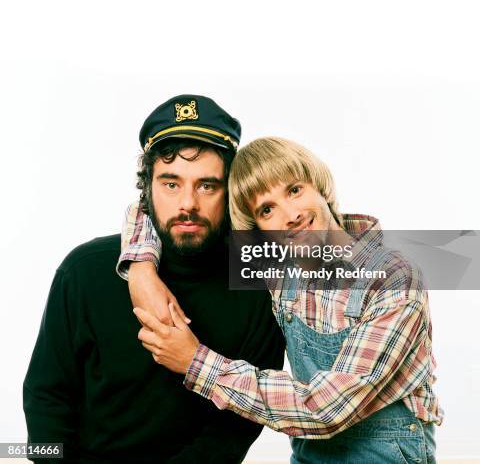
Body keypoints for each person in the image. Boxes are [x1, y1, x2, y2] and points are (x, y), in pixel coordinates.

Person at [124, 137, 442, 464]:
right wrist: (141, 268)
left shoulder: (394, 278)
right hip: (309, 456)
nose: (290, 216)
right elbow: (165, 210)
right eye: (267, 209)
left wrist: (196, 362)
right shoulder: (277, 263)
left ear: (319, 185)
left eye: (294, 190)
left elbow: (327, 410)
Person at [23, 96, 285, 464]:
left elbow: (236, 427)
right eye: (171, 184)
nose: (188, 204)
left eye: (208, 186)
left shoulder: (259, 283)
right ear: (147, 188)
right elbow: (45, 398)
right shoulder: (84, 270)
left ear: (231, 192)